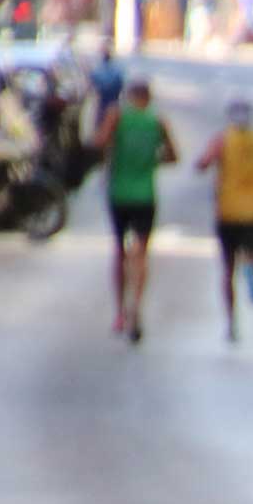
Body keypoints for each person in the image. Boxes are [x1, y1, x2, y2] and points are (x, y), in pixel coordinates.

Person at [94, 78, 177, 343]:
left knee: (119, 251)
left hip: (119, 194)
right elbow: (173, 156)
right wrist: (151, 159)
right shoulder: (157, 122)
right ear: (149, 99)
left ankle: (119, 311)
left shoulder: (116, 117)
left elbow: (99, 142)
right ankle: (136, 307)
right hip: (145, 195)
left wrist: (115, 152)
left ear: (129, 97)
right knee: (141, 253)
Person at [196, 98, 253, 342]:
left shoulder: (222, 140)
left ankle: (232, 322)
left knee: (227, 271)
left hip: (228, 211)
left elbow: (203, 163)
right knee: (252, 253)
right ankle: (251, 268)